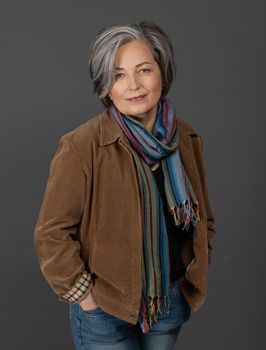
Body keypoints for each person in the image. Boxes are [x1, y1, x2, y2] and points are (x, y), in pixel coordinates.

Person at [33, 21, 216, 350]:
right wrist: (86, 298)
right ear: (105, 86)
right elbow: (51, 234)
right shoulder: (83, 145)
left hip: (169, 301)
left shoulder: (186, 138)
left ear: (162, 72)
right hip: (105, 308)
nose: (133, 84)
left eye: (143, 69)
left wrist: (196, 269)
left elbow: (204, 219)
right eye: (118, 75)